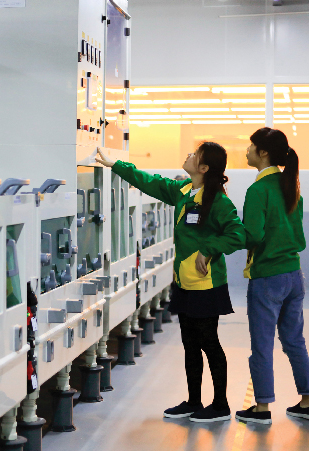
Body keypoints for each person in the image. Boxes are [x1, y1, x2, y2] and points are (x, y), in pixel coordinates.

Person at [96, 144, 245, 423]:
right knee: (190, 343)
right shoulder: (184, 191)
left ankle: (221, 404)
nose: (188, 154)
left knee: (208, 342)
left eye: (195, 154)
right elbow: (150, 182)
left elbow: (238, 235)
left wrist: (208, 248)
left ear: (204, 168)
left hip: (207, 285)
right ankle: (193, 401)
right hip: (184, 282)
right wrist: (116, 164)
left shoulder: (219, 202)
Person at [235, 128, 309, 426]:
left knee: (262, 343)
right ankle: (307, 401)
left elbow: (253, 235)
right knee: (294, 340)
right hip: (294, 275)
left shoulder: (257, 190)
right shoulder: (291, 186)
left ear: (263, 153)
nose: (247, 150)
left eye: (252, 146)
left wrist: (229, 232)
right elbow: (297, 233)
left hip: (267, 277)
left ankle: (261, 407)